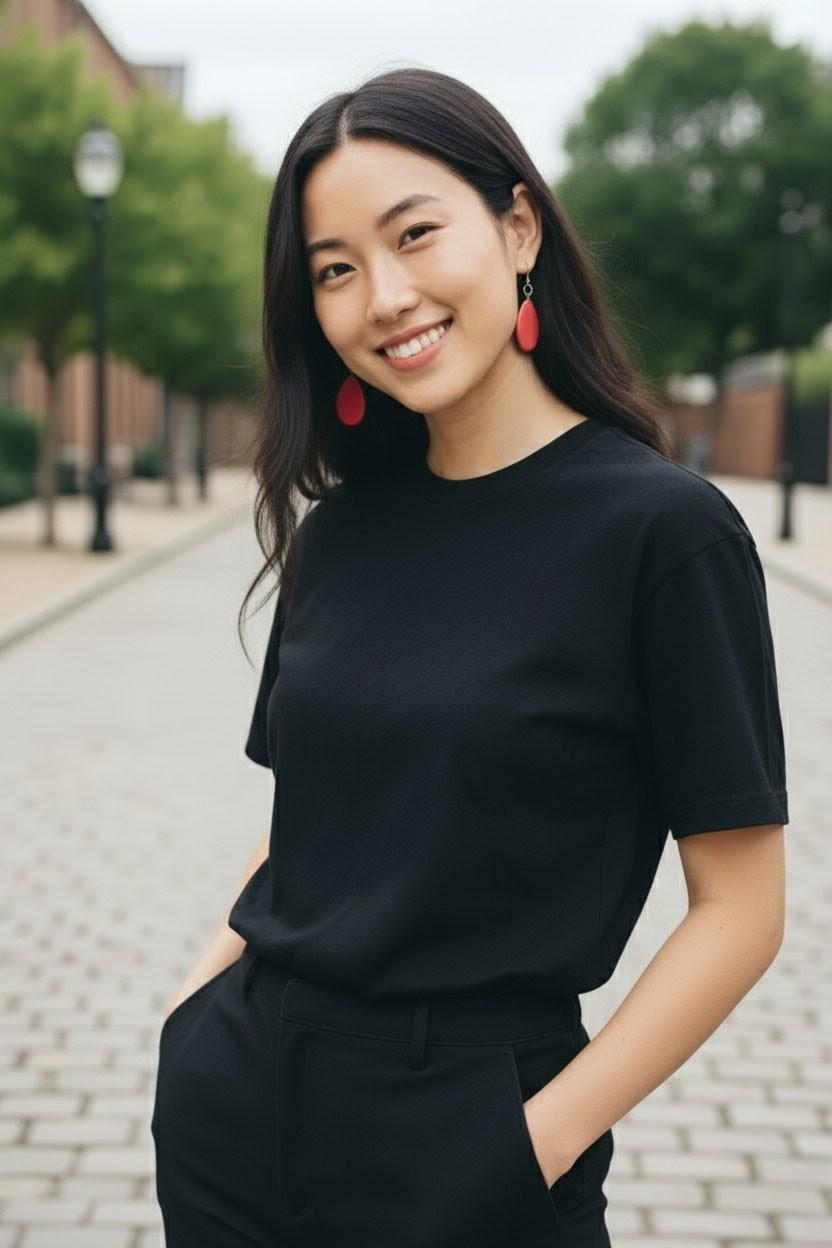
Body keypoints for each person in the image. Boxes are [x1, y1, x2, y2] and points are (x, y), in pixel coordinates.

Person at [149, 67, 789, 1248]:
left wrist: (526, 1150)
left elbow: (742, 911)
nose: (381, 297)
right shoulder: (343, 531)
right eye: (335, 269)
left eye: (414, 235)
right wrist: (194, 1010)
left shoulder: (664, 535)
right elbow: (308, 814)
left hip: (470, 1137)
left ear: (518, 224)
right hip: (240, 1110)